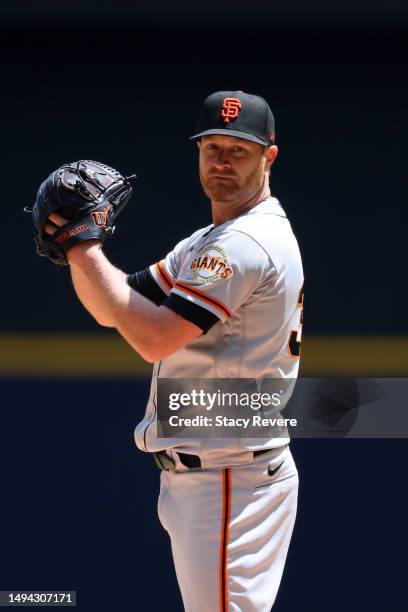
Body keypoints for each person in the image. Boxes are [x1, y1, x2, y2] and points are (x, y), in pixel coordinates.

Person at [44, 90, 304, 611]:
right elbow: (115, 307)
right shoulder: (213, 237)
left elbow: (153, 337)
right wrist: (78, 250)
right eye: (213, 148)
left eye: (240, 150)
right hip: (212, 474)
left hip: (230, 479)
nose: (223, 162)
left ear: (268, 157)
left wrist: (84, 247)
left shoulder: (243, 243)